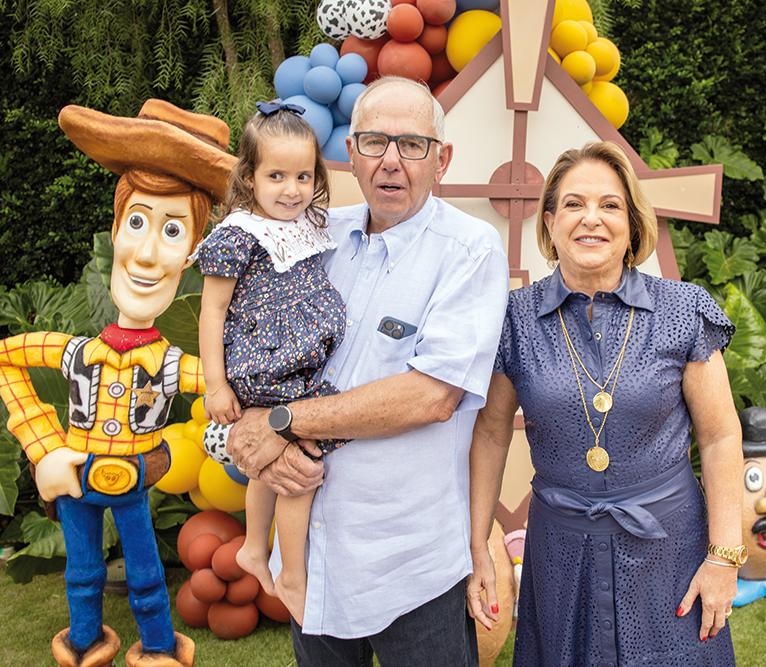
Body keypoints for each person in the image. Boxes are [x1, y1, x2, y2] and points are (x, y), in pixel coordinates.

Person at [202, 76, 509, 666]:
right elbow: (237, 331)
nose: (391, 161)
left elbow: (432, 396)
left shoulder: (469, 250)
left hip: (410, 566)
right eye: (373, 141)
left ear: (442, 159)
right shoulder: (311, 237)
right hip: (314, 561)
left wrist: (283, 423)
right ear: (350, 153)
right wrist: (244, 428)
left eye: (412, 144)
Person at [465, 141, 744, 666]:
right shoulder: (514, 319)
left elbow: (720, 435)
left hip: (670, 550)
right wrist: (478, 543)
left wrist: (724, 556)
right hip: (560, 553)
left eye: (610, 205)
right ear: (549, 223)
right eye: (573, 204)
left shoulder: (683, 310)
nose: (591, 219)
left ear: (633, 223)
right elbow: (490, 433)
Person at [0, 99, 235, 667]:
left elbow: (233, 389)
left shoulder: (177, 367)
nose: (148, 252)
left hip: (131, 482)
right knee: (81, 574)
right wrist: (44, 448)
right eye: (137, 222)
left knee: (146, 573)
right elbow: (7, 359)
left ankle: (157, 648)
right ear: (115, 227)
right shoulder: (75, 352)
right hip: (77, 480)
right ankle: (84, 643)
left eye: (172, 230)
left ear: (193, 256)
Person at [194, 101, 346, 626]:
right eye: (275, 175)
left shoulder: (307, 225)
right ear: (249, 177)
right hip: (269, 363)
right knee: (300, 468)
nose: (291, 189)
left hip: (301, 365)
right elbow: (212, 311)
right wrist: (215, 383)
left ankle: (254, 548)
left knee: (269, 464)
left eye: (303, 176)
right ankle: (293, 576)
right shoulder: (239, 233)